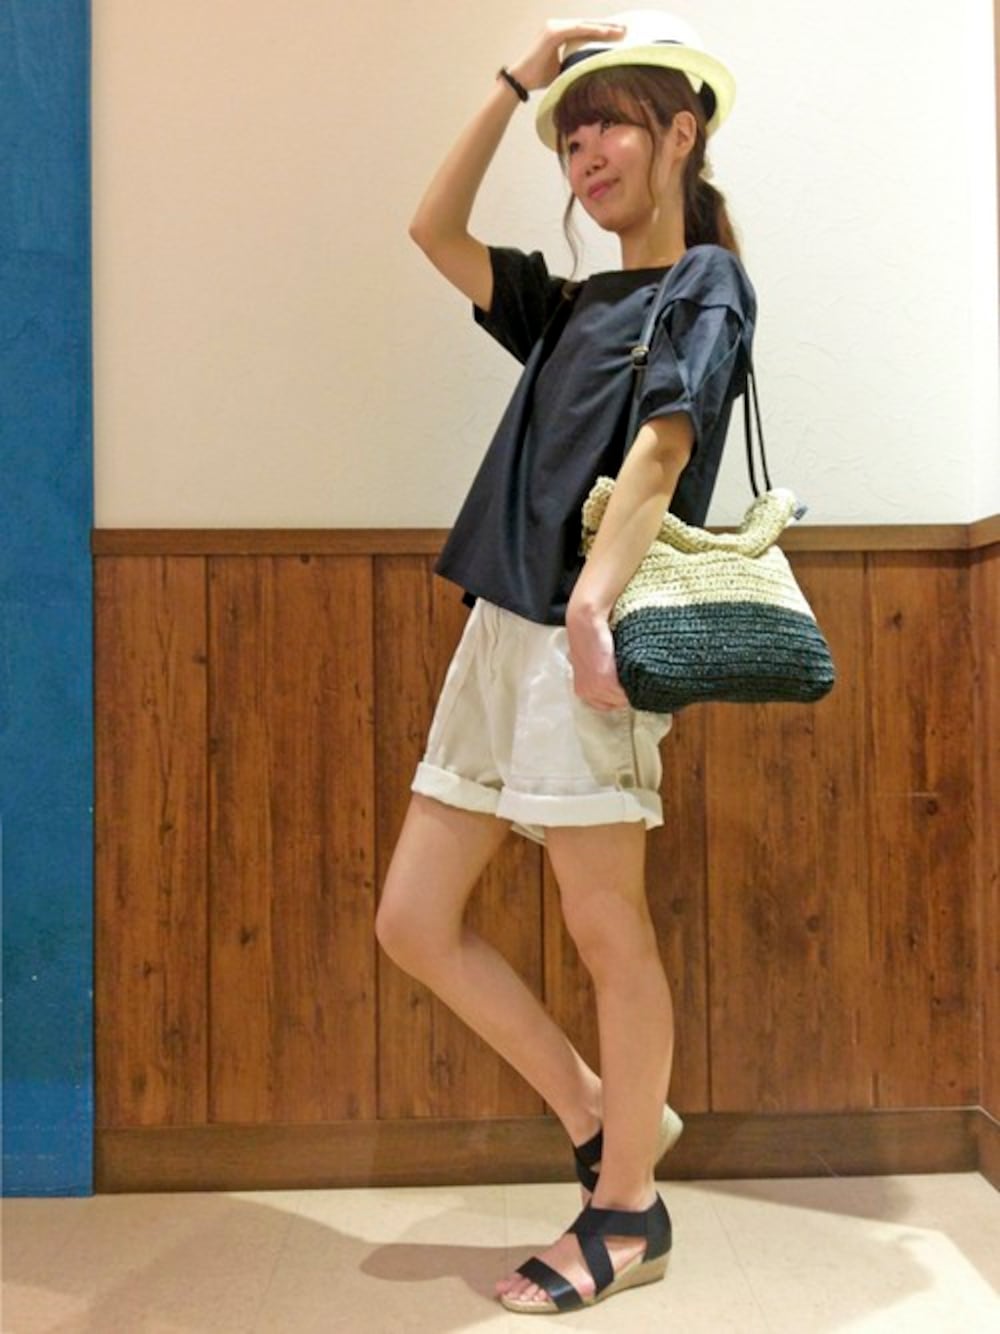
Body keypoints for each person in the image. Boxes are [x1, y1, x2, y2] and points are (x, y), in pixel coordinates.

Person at [375, 10, 756, 1315]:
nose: (584, 151)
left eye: (609, 128)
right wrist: (516, 81)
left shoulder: (705, 284)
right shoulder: (567, 303)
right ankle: (606, 1117)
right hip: (501, 626)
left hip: (588, 633)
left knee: (607, 928)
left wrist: (594, 605)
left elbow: (664, 444)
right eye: (570, 136)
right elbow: (431, 230)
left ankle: (629, 1209)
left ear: (680, 133)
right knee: (413, 920)